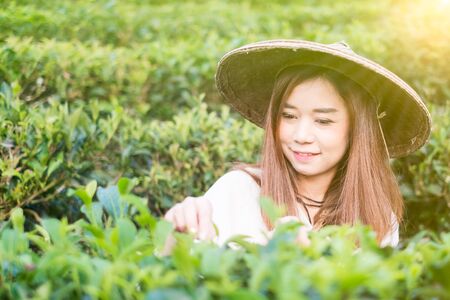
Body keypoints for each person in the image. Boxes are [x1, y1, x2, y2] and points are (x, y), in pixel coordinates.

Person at [164, 40, 431, 249]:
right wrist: (174, 237)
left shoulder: (377, 216)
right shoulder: (239, 191)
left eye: (323, 121)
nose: (301, 135)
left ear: (356, 131)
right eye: (289, 116)